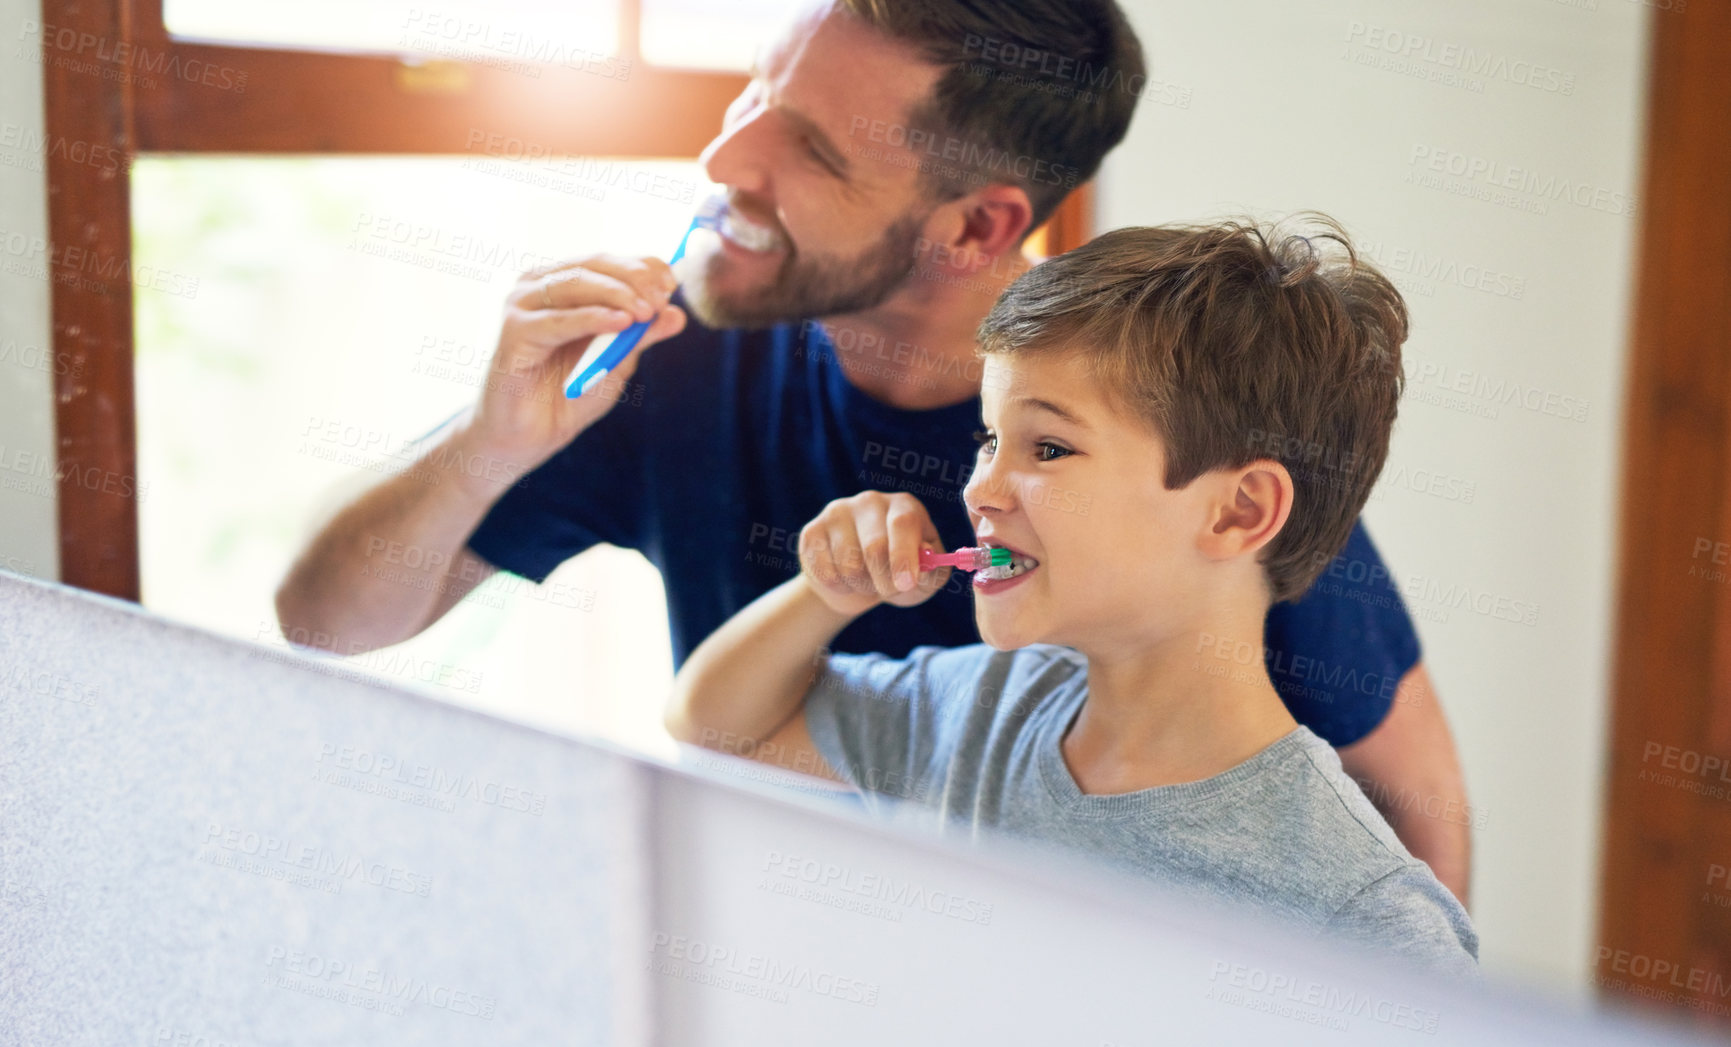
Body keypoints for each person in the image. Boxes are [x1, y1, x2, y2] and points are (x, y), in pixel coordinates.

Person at [274, 0, 1472, 902]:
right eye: (752, 92)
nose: (724, 160)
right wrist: (490, 445)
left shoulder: (1174, 440)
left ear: (979, 225)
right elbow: (327, 621)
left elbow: (1409, 800)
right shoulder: (665, 366)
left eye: (808, 146)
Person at [664, 220, 1478, 974]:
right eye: (990, 438)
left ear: (1238, 511)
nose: (978, 487)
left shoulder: (1364, 921)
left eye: (1047, 447)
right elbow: (716, 728)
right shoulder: (983, 709)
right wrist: (825, 592)